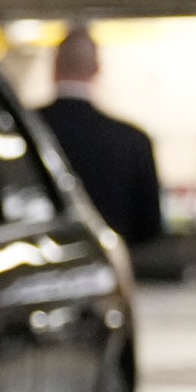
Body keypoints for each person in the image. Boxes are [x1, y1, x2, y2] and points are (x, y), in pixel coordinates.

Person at [38, 25, 164, 245]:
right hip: (110, 266)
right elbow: (150, 229)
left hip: (41, 266)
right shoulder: (133, 141)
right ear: (96, 69)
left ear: (54, 67)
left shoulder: (20, 132)